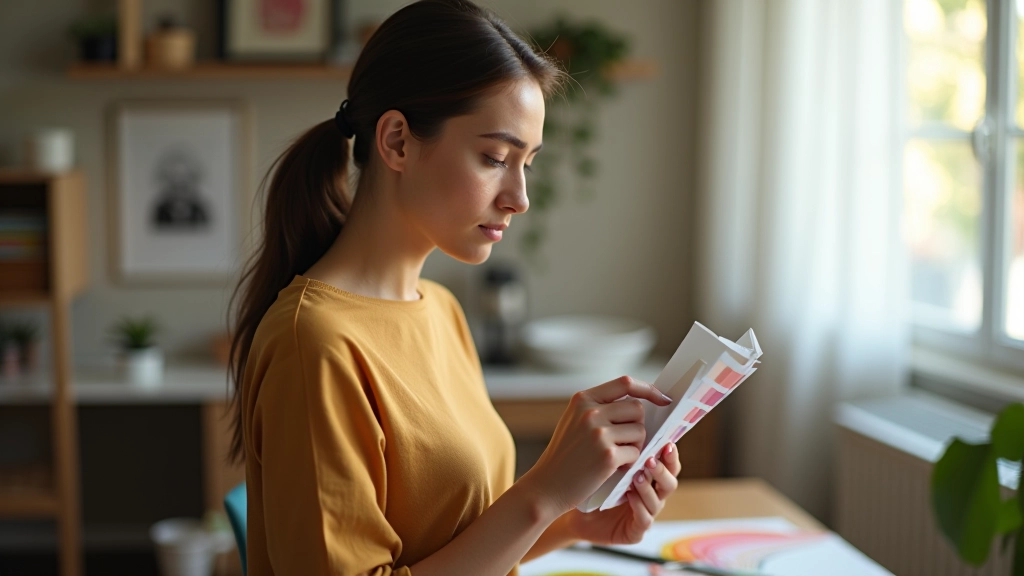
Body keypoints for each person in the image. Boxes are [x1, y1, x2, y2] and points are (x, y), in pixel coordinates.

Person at [227, 1, 681, 574]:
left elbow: (450, 543)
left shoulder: (439, 309)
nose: (519, 197)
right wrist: (542, 493)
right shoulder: (314, 344)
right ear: (396, 141)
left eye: (527, 163)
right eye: (494, 157)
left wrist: (573, 522)